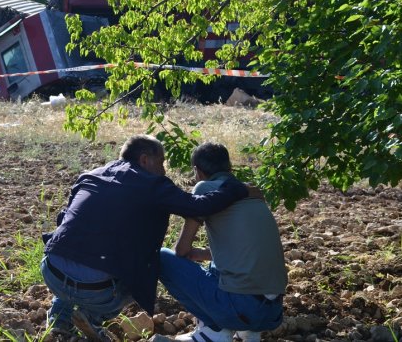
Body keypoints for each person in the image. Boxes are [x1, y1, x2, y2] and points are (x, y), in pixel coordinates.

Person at [40, 135, 257, 341]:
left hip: (52, 270)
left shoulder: (90, 175)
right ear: (144, 159)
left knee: (75, 249)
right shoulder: (153, 184)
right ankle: (92, 319)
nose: (164, 170)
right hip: (98, 291)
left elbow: (64, 220)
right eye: (161, 162)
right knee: (141, 272)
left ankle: (59, 319)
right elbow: (198, 206)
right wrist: (236, 189)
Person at [160, 142, 287, 342]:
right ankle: (249, 333)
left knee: (162, 258)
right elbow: (245, 250)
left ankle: (213, 332)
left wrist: (190, 252)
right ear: (230, 169)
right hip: (272, 313)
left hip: (243, 309)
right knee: (218, 263)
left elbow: (182, 250)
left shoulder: (205, 187)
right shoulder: (252, 193)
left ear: (197, 171)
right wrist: (203, 254)